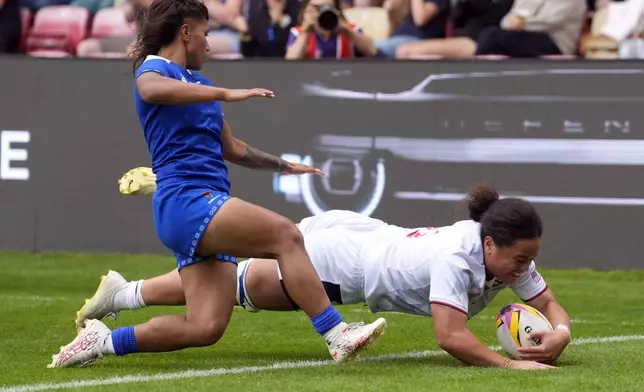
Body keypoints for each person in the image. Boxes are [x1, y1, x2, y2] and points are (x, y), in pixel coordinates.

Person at [47, 0, 386, 369]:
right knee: (285, 235)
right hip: (186, 201)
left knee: (206, 326)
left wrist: (283, 165)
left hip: (203, 203)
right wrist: (226, 93)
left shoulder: (200, 83)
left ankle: (102, 341)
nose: (209, 44)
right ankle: (337, 335)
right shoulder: (154, 69)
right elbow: (149, 90)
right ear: (186, 32)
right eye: (205, 34)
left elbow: (234, 149)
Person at [86, 170, 572, 369]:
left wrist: (562, 333)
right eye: (521, 258)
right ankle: (179, 205)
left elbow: (546, 302)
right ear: (490, 243)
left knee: (233, 284)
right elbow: (451, 336)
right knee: (235, 287)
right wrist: (512, 365)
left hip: (361, 241)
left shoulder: (502, 259)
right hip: (340, 262)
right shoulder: (456, 258)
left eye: (529, 259)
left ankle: (122, 292)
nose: (525, 269)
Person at [284, 0, 377, 60]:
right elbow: (290, 62)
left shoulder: (350, 29)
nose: (322, 12)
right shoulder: (298, 32)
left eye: (327, 7)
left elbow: (372, 51)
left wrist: (347, 31)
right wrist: (305, 32)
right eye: (317, 8)